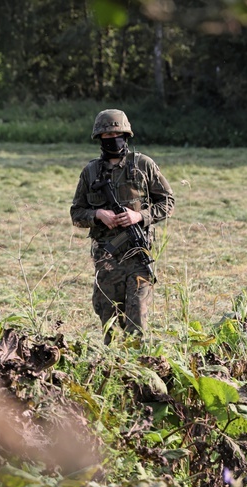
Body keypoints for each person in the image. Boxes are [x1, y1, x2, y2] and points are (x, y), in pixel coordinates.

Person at [70, 109, 175, 343]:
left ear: (126, 135)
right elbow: (76, 213)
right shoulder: (91, 172)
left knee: (137, 322)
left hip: (139, 255)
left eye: (117, 133)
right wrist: (98, 214)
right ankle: (112, 371)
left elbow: (167, 202)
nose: (113, 138)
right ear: (100, 139)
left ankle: (138, 370)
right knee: (109, 323)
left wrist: (140, 217)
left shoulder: (143, 165)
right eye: (107, 135)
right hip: (107, 260)